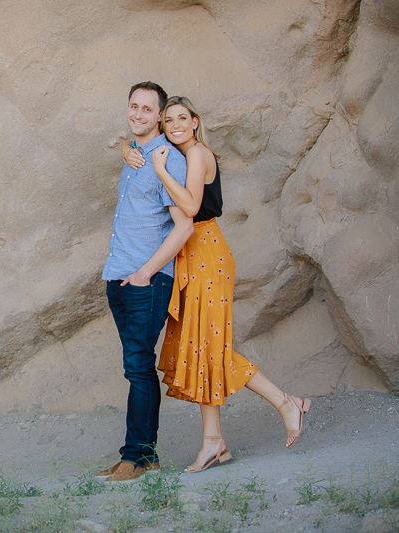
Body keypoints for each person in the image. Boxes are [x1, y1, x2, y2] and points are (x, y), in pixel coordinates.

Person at [120, 95, 311, 473]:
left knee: (209, 346)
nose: (174, 125)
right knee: (202, 344)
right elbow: (137, 142)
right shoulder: (178, 153)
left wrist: (159, 171)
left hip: (206, 253)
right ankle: (214, 442)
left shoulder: (197, 154)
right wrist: (127, 149)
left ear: (194, 121)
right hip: (187, 257)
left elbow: (190, 208)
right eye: (168, 119)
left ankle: (286, 402)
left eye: (181, 118)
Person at [95, 82, 194, 484]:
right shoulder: (133, 156)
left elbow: (183, 224)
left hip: (145, 280)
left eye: (147, 109)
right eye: (133, 106)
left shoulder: (167, 158)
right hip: (118, 275)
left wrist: (146, 273)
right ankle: (145, 456)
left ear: (160, 115)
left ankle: (134, 458)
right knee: (137, 367)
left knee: (138, 367)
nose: (138, 114)